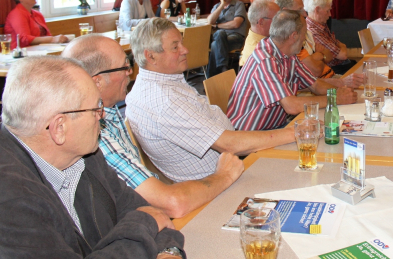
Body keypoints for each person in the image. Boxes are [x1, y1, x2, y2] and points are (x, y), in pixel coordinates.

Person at [0, 56, 185, 258]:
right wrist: (144, 223)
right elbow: (148, 218)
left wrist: (169, 250)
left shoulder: (85, 154)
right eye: (96, 108)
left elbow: (148, 212)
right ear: (59, 128)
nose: (102, 115)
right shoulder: (10, 198)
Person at [63, 35, 244, 219]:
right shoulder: (95, 134)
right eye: (125, 67)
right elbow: (171, 204)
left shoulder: (108, 114)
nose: (130, 73)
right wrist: (224, 175)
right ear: (97, 81)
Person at [125, 18, 295, 183]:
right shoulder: (164, 101)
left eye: (181, 43)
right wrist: (296, 132)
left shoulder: (159, 83)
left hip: (229, 164)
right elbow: (230, 145)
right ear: (151, 56)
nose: (185, 50)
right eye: (175, 47)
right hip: (219, 183)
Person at [227, 10, 358, 131]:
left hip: (274, 127)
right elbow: (292, 106)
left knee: (327, 130)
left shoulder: (288, 54)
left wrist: (342, 93)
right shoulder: (265, 60)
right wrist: (335, 98)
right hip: (250, 135)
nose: (306, 39)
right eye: (305, 33)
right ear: (294, 36)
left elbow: (315, 85)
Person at [274, 0, 364, 88]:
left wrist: (318, 57)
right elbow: (316, 71)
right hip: (323, 82)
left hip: (327, 78)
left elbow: (327, 57)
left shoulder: (305, 32)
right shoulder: (294, 38)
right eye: (300, 10)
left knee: (366, 81)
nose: (305, 14)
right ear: (286, 11)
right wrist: (321, 56)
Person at [4, 0, 68, 49]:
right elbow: (25, 39)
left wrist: (57, 40)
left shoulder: (37, 14)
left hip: (40, 49)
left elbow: (47, 35)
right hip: (23, 52)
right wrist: (53, 39)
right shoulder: (17, 14)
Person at [306, 0, 354, 75]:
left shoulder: (320, 24)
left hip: (342, 64)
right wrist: (342, 46)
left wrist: (341, 46)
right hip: (335, 70)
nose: (330, 14)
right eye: (327, 11)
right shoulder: (313, 31)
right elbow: (343, 55)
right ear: (317, 10)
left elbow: (340, 49)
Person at [207, 0, 249, 76]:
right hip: (221, 39)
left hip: (236, 37)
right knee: (217, 41)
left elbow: (236, 23)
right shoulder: (216, 6)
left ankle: (211, 80)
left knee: (216, 42)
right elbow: (210, 21)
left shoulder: (239, 4)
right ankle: (223, 69)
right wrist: (222, 5)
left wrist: (217, 26)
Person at [239, 0, 280, 67]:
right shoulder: (260, 54)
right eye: (277, 18)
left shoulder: (264, 39)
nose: (281, 22)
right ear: (261, 22)